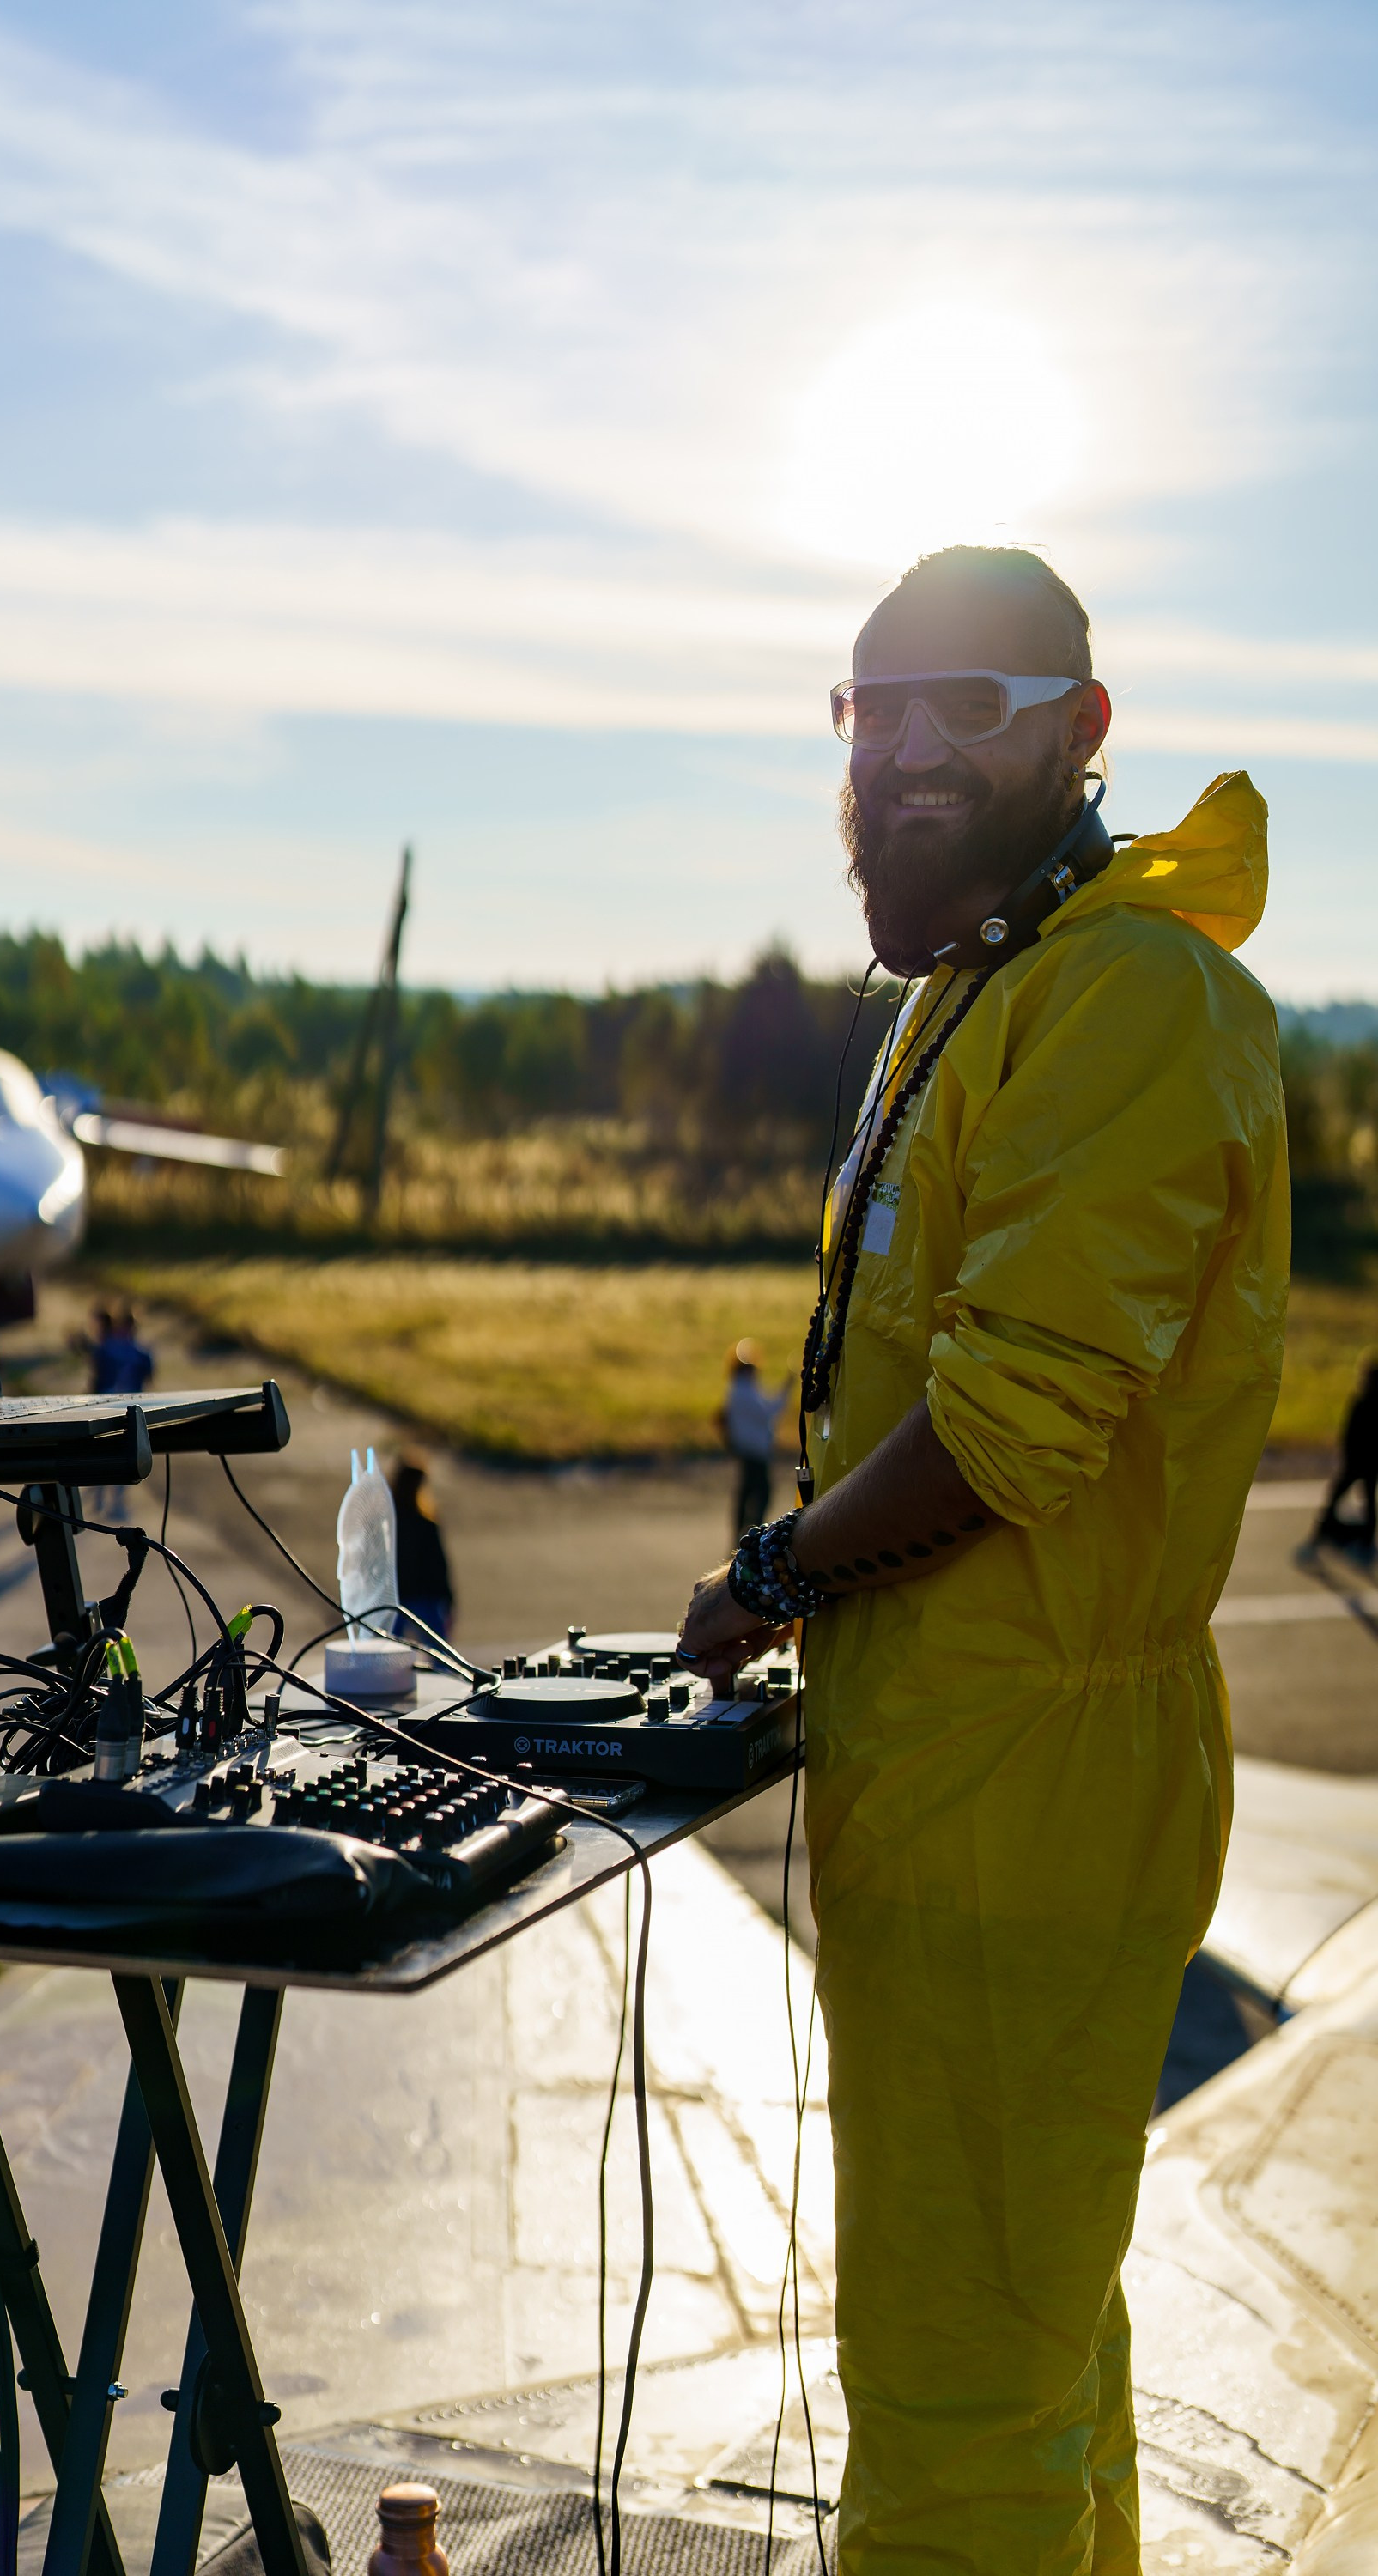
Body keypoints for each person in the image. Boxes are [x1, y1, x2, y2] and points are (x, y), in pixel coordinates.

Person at [678, 544, 1287, 2574]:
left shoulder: (1128, 992)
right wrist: (815, 1608)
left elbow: (1016, 1419)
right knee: (1031, 2342)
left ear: (1082, 734)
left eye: (972, 705)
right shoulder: (982, 989)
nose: (907, 751)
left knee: (951, 2398)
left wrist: (774, 1565)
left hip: (1029, 1783)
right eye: (875, 709)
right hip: (945, 1756)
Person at [718, 1339, 791, 1540]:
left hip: (746, 1448)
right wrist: (788, 1386)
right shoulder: (745, 1392)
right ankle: (751, 1534)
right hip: (755, 1451)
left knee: (747, 1492)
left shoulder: (736, 1389)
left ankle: (740, 1535)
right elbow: (769, 1412)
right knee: (762, 1493)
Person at [1311, 1363, 1378, 1559]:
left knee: (1346, 1495)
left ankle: (1326, 1530)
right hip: (1362, 1462)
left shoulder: (1363, 1402)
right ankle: (1328, 1530)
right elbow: (1348, 1433)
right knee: (1353, 1496)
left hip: (1362, 1462)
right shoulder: (1361, 1401)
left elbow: (1349, 1433)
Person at [392, 1449, 455, 1646]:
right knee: (442, 1657)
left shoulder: (388, 1520)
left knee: (387, 1653)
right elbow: (439, 1564)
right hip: (423, 1598)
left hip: (397, 1597)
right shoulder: (425, 1522)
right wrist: (448, 1599)